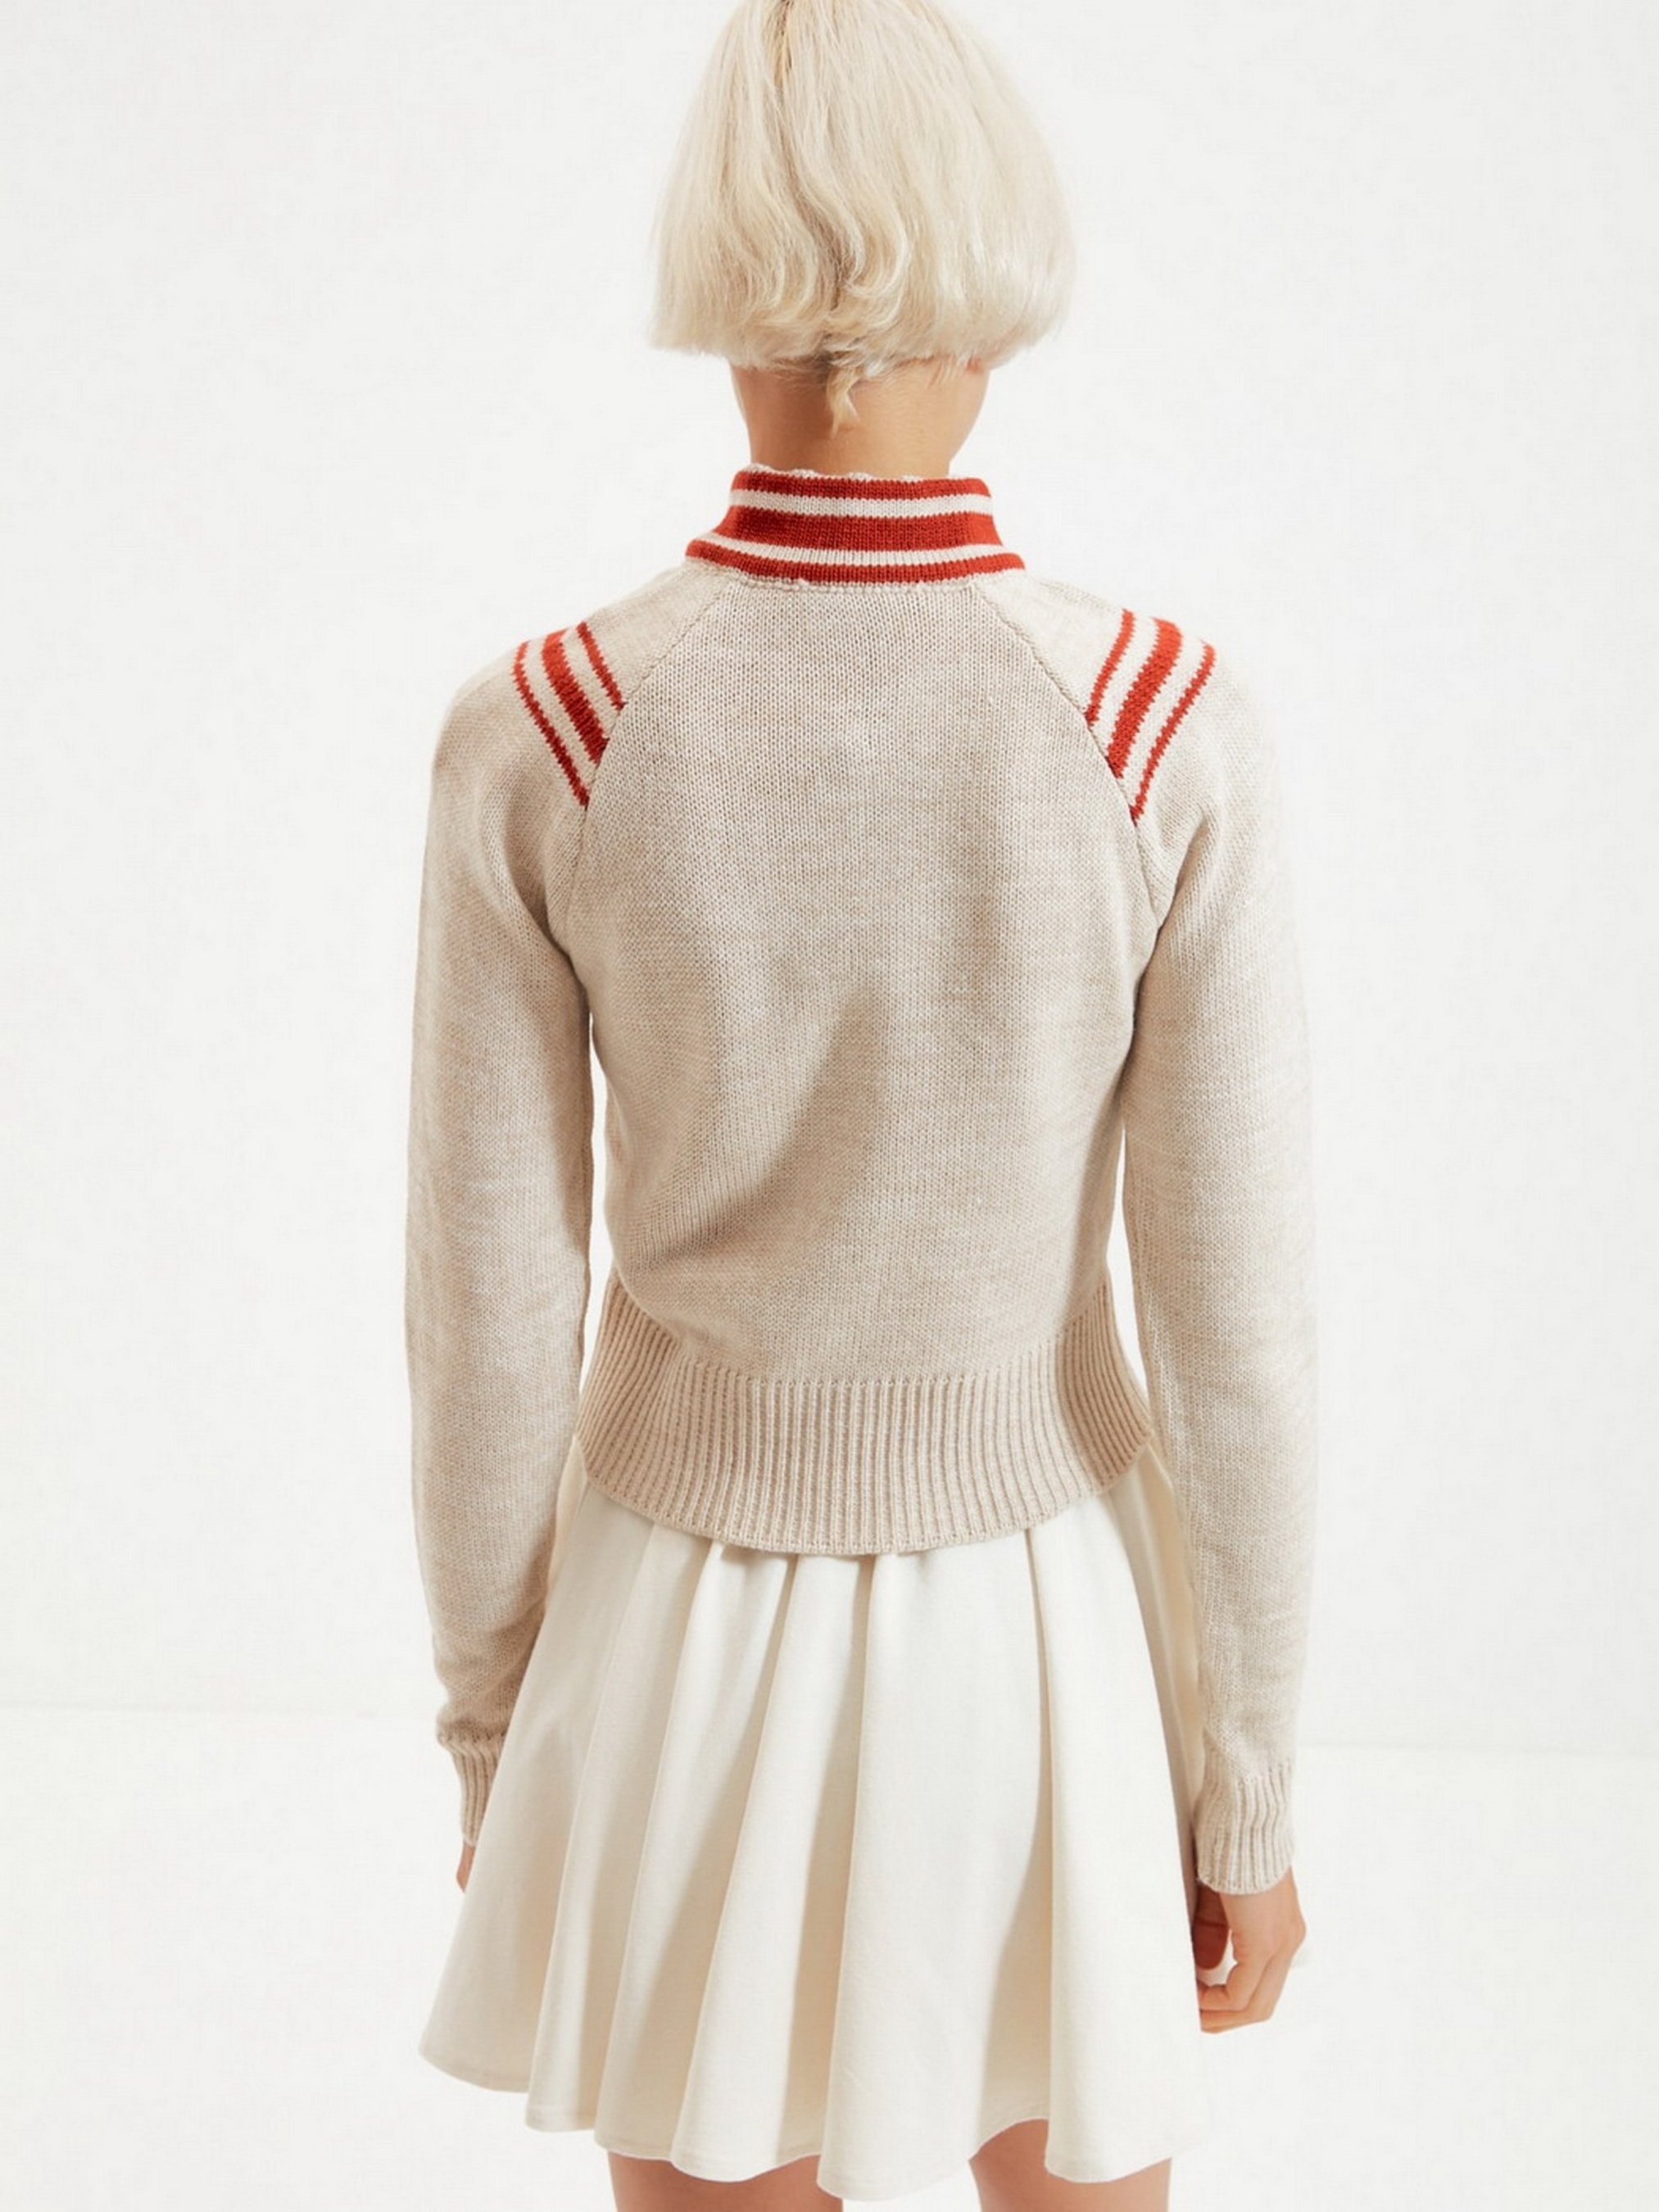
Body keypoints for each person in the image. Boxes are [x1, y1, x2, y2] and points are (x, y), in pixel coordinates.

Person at [404, 2, 1317, 2206]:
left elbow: (487, 1317)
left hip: (667, 1622)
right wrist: (1248, 1788)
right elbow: (1235, 1334)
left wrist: (494, 1723)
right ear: (990, 284)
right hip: (1043, 1616)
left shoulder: (549, 725)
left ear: (719, 270)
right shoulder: (1153, 721)